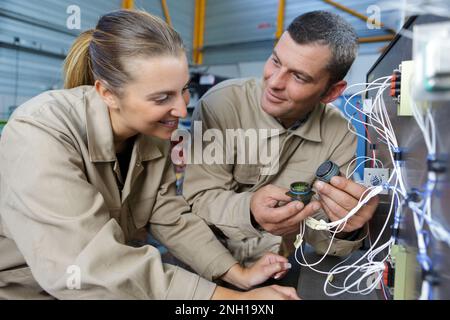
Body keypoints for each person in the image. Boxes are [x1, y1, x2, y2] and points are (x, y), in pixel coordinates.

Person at [0, 10, 300, 300]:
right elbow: (86, 265)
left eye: (184, 89)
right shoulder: (39, 133)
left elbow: (170, 216)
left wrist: (235, 274)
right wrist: (226, 299)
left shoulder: (150, 135)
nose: (182, 110)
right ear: (106, 93)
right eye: (161, 98)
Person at [182, 11, 379, 267]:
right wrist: (249, 210)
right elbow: (197, 201)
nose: (274, 82)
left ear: (332, 92)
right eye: (275, 61)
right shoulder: (221, 104)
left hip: (280, 270)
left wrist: (345, 228)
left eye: (298, 77)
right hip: (205, 265)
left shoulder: (340, 135)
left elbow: (321, 236)